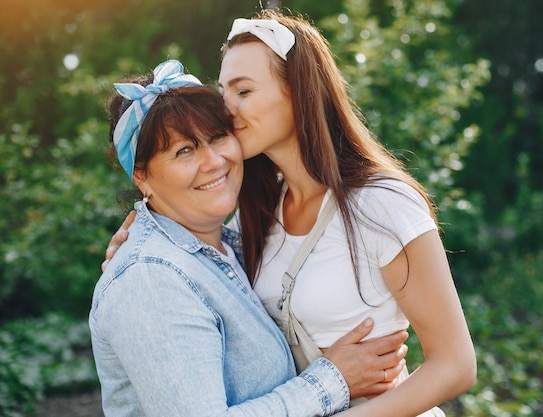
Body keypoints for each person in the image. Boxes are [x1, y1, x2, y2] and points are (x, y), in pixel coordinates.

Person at [105, 9, 476, 416]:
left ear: (298, 91)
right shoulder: (259, 213)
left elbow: (455, 365)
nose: (227, 109)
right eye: (224, 93)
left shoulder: (380, 203)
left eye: (243, 91)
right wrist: (142, 237)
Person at [90, 59, 409, 417]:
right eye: (184, 150)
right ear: (141, 175)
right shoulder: (150, 280)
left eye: (217, 137)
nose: (214, 161)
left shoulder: (237, 242)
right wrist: (334, 380)